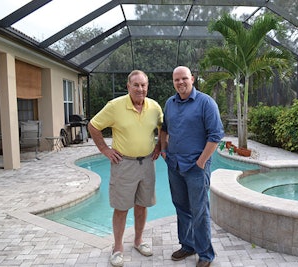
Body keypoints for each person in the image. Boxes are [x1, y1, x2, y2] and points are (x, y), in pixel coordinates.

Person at [87, 70, 163, 267]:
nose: (140, 89)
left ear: (147, 87)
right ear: (128, 86)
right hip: (124, 164)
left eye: (143, 85)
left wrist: (159, 146)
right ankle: (118, 248)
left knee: (142, 204)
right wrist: (104, 149)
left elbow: (162, 127)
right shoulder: (115, 106)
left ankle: (138, 241)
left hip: (147, 163)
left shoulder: (154, 107)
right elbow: (93, 126)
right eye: (136, 85)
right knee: (121, 208)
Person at [160, 66, 224, 267]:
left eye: (184, 79)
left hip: (196, 168)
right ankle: (188, 245)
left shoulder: (206, 103)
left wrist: (201, 162)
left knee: (199, 211)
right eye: (176, 79)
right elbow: (164, 129)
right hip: (175, 165)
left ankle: (205, 254)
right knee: (182, 208)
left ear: (192, 79)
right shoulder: (170, 103)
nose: (180, 82)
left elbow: (215, 135)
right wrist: (163, 150)